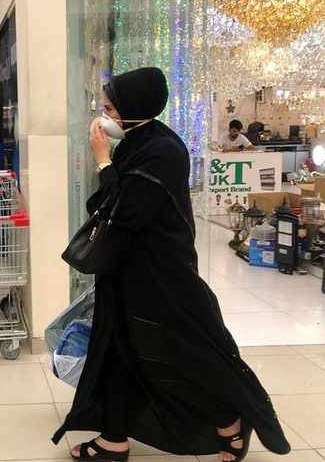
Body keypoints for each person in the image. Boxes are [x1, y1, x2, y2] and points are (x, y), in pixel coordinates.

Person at [53, 68, 290, 462]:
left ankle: (231, 421)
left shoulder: (163, 151)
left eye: (110, 107)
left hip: (161, 277)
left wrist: (101, 161)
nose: (103, 115)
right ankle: (113, 440)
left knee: (179, 351)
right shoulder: (137, 141)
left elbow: (124, 213)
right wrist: (108, 163)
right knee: (117, 350)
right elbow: (111, 210)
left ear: (133, 108)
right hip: (127, 272)